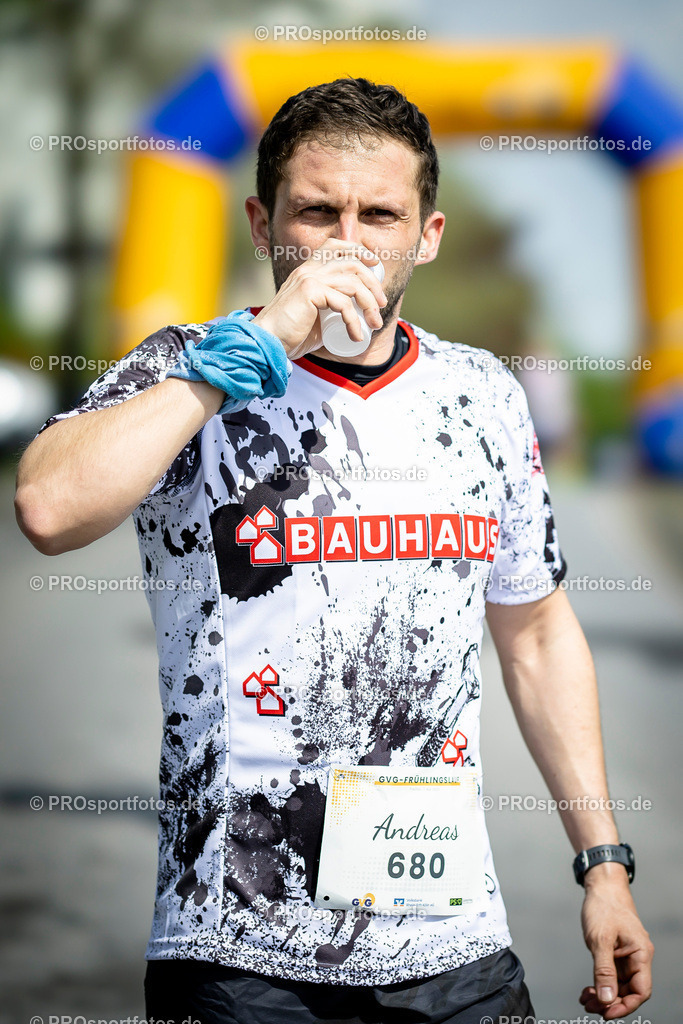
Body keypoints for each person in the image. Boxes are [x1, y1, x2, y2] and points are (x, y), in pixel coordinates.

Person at [15, 77, 653, 1024]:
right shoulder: (184, 371)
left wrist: (602, 865)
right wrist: (253, 349)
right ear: (262, 222)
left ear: (425, 236)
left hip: (452, 942)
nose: (348, 240)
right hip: (237, 952)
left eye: (379, 213)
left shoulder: (481, 394)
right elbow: (46, 506)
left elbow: (536, 636)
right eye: (316, 212)